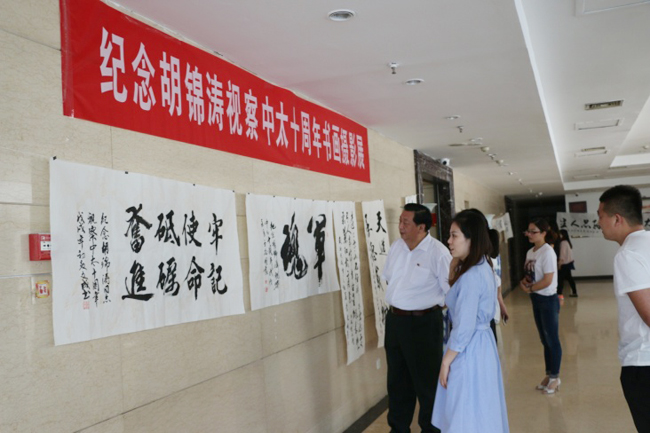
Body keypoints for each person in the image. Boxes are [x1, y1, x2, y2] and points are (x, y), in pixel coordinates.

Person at [432, 209, 509, 433]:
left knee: (464, 410)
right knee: (480, 408)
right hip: (481, 345)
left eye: (454, 235)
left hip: (469, 348)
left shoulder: (472, 276)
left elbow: (464, 328)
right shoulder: (482, 266)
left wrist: (446, 362)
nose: (449, 241)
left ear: (471, 238)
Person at [382, 203, 452, 433]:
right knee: (397, 381)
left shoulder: (438, 253)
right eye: (400, 221)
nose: (400, 226)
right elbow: (389, 278)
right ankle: (398, 428)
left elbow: (451, 292)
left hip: (423, 323)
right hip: (395, 321)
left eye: (406, 222)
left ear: (421, 227)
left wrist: (427, 305)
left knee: (427, 383)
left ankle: (431, 429)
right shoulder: (397, 247)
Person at [598, 185, 650, 432]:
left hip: (643, 363)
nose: (599, 222)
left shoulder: (628, 255)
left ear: (616, 219)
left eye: (600, 216)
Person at [519, 218, 562, 394]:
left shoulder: (547, 252)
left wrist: (530, 289)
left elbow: (548, 280)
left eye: (533, 231)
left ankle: (555, 377)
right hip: (536, 298)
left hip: (548, 300)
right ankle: (549, 374)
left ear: (544, 233)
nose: (529, 234)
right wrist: (524, 283)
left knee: (552, 339)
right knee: (544, 340)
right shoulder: (530, 252)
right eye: (528, 231)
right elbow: (530, 275)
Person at [489, 228, 509, 342]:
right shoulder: (494, 258)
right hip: (493, 310)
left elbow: (497, 284)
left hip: (489, 312)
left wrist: (501, 305)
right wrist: (502, 305)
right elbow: (498, 285)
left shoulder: (488, 260)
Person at [557, 229, 578, 297]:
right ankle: (574, 292)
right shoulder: (567, 242)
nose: (559, 235)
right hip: (569, 263)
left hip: (564, 264)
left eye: (560, 234)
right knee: (569, 278)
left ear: (562, 235)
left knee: (560, 279)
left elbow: (562, 255)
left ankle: (559, 293)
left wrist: (559, 264)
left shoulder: (563, 243)